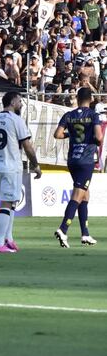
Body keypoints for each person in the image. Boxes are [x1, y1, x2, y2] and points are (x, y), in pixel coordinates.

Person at [0, 92, 42, 253]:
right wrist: (36, 165)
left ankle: (8, 239)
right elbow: (27, 147)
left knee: (11, 202)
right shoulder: (16, 120)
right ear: (12, 102)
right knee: (7, 203)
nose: (21, 104)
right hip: (11, 166)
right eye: (20, 101)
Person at [53, 88, 102, 247]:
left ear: (78, 98)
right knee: (77, 195)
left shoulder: (69, 115)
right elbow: (99, 137)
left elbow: (58, 134)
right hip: (86, 160)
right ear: (91, 99)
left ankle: (85, 234)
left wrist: (70, 135)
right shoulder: (94, 115)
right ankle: (63, 229)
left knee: (85, 195)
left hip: (72, 159)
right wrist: (96, 141)